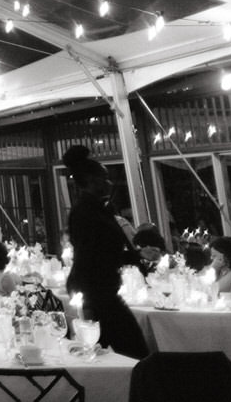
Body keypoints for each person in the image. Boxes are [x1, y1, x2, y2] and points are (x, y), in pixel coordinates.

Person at [62, 144, 148, 358]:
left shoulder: (96, 208)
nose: (109, 183)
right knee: (131, 349)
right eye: (105, 178)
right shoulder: (85, 212)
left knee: (113, 349)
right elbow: (94, 253)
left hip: (100, 288)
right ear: (91, 181)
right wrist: (133, 256)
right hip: (94, 289)